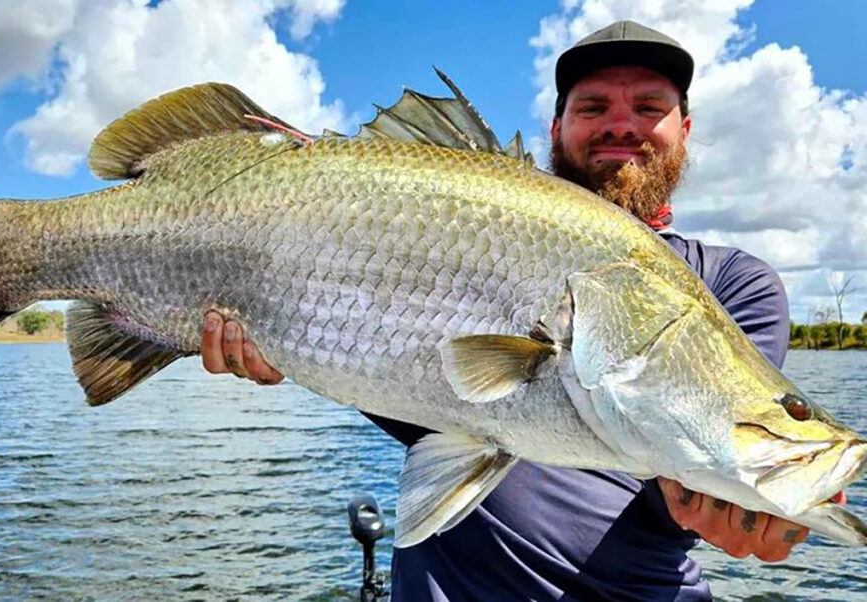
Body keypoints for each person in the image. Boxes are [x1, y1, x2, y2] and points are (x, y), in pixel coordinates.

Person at [199, 20, 814, 601]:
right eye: (593, 107)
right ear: (556, 128)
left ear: (684, 127)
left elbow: (677, 471)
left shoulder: (735, 284)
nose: (621, 124)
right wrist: (292, 342)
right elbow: (423, 397)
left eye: (649, 107)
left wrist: (730, 497)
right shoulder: (446, 225)